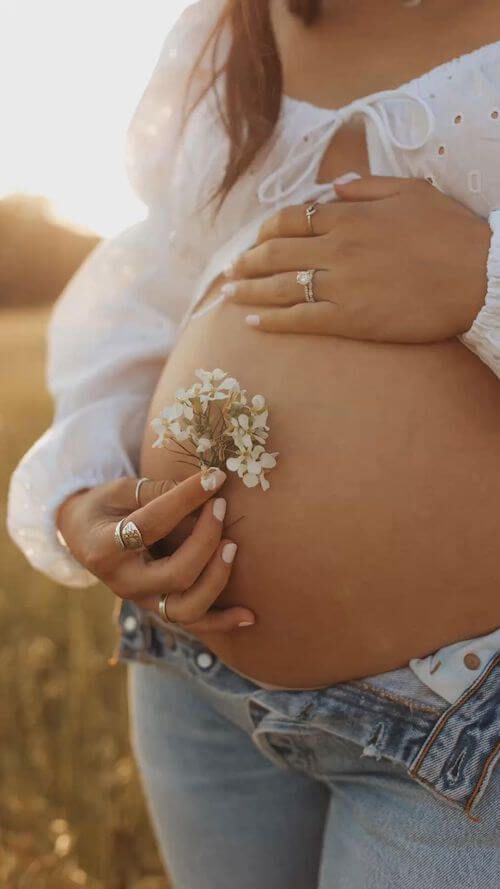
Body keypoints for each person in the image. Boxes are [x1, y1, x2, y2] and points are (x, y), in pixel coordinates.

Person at [8, 1, 500, 885]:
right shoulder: (228, 29)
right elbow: (155, 282)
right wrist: (86, 490)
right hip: (192, 679)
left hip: (470, 717)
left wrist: (485, 278)